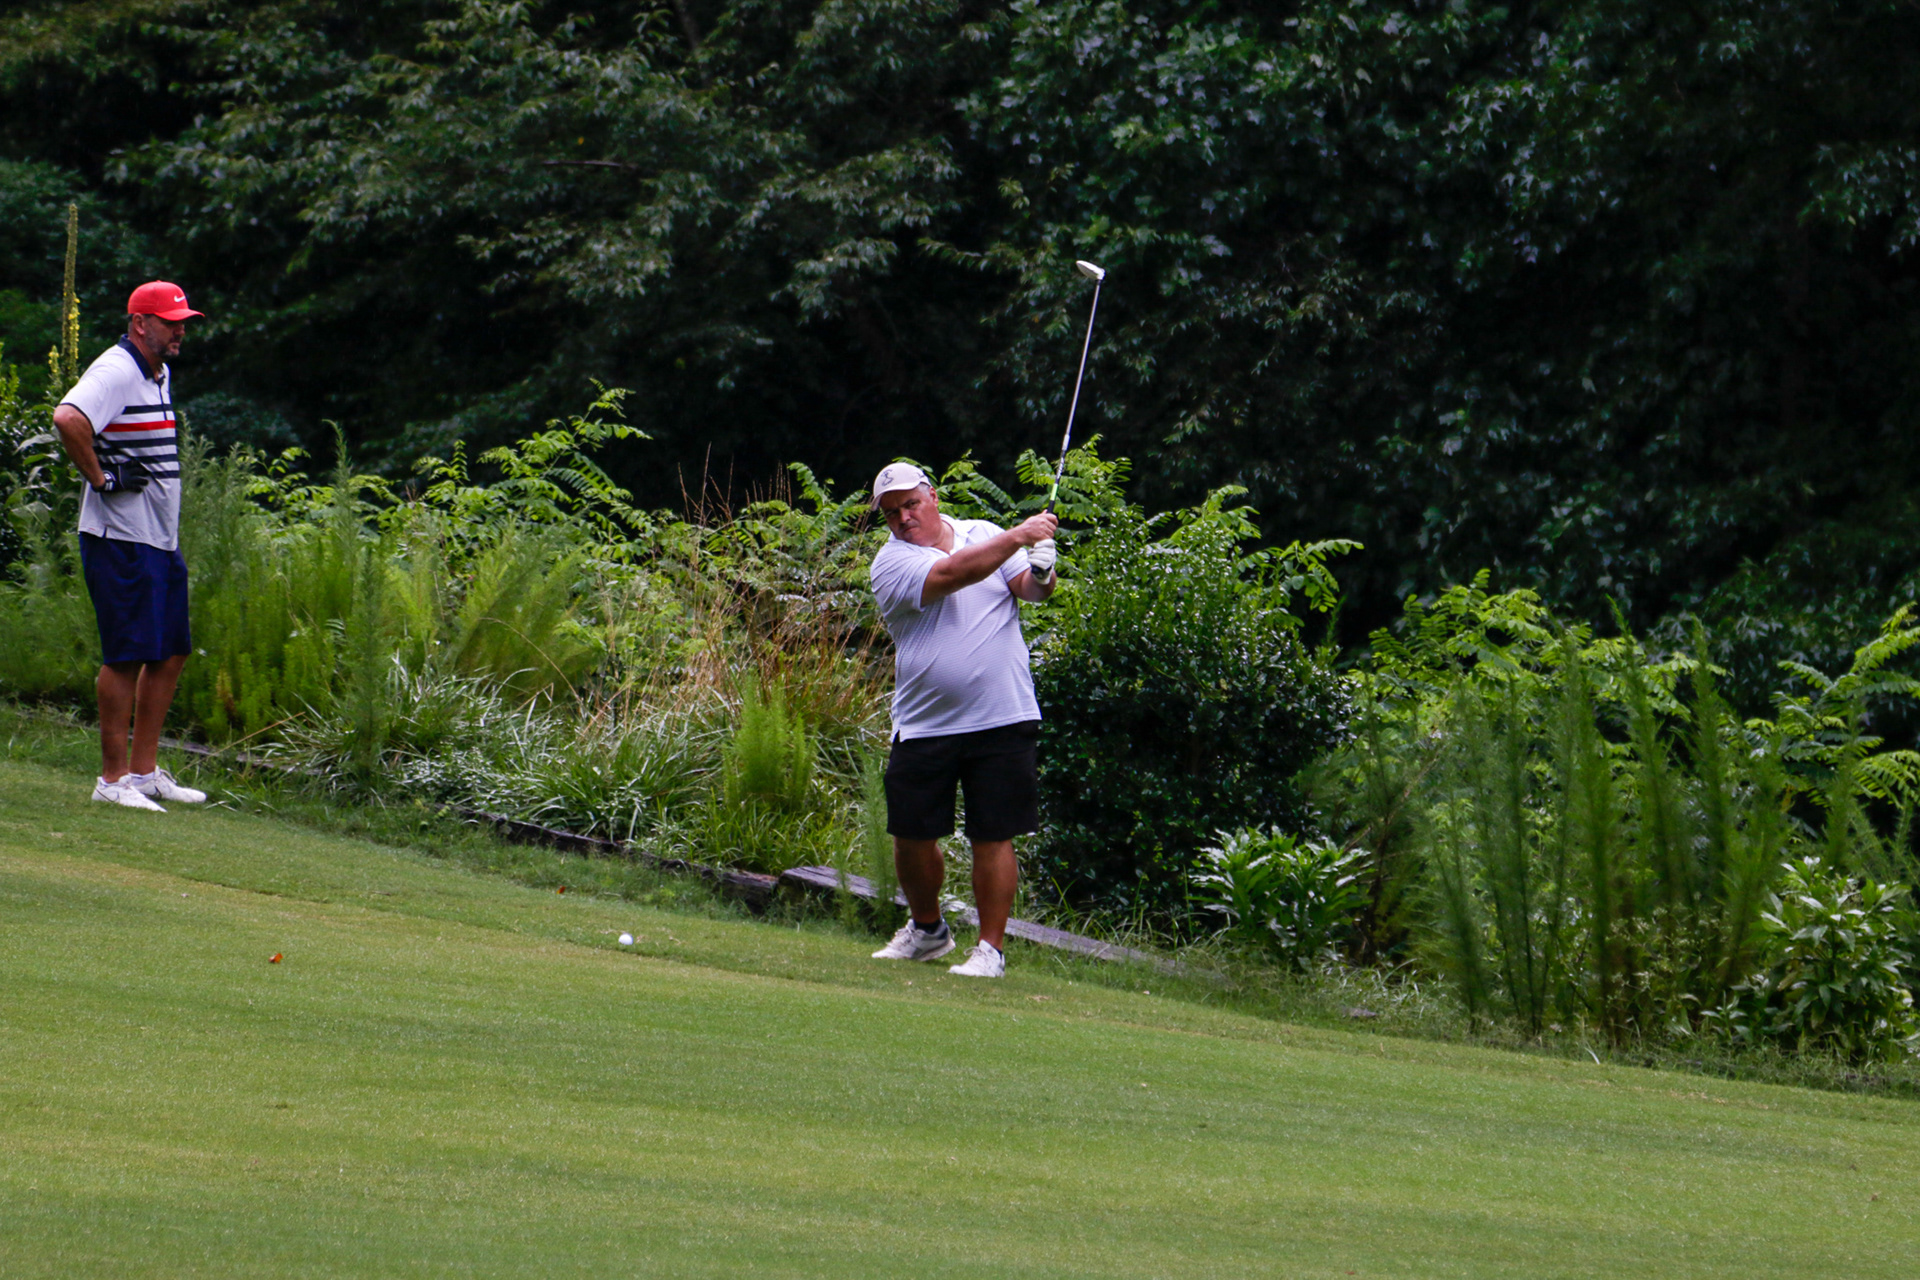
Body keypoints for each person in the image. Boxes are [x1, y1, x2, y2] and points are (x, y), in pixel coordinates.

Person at [866, 462, 1059, 977]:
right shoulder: (891, 562)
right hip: (925, 720)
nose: (904, 518)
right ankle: (927, 930)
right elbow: (952, 576)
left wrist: (1042, 572)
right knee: (911, 835)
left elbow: (1029, 590)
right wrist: (1020, 535)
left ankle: (990, 951)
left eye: (911, 504)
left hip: (1002, 713)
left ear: (932, 496)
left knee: (993, 834)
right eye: (891, 513)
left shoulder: (983, 533)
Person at [51, 280, 208, 812]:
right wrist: (101, 479)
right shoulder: (117, 369)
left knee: (170, 651)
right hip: (120, 536)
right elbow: (68, 418)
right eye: (170, 323)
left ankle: (143, 773)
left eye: (183, 323)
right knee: (126, 654)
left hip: (157, 536)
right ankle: (112, 779)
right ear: (140, 323)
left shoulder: (157, 372)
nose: (179, 331)